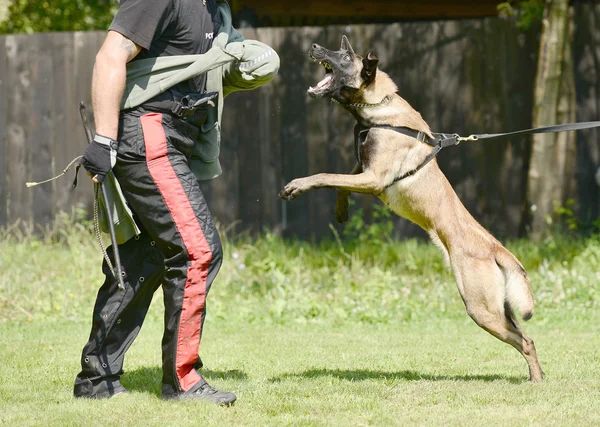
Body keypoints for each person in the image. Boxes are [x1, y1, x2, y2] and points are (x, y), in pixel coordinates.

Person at [74, 0, 279, 405]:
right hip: (147, 132)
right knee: (197, 251)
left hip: (173, 136)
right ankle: (182, 382)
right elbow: (111, 54)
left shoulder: (215, 8)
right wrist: (103, 139)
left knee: (151, 254)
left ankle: (96, 379)